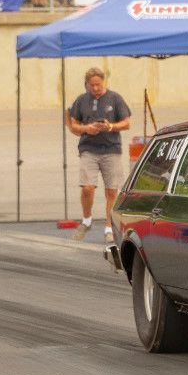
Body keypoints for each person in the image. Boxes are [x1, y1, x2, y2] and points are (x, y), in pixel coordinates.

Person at [67, 68, 131, 243]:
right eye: (92, 85)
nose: (95, 88)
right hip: (89, 148)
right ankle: (87, 220)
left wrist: (110, 126)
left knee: (112, 190)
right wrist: (87, 129)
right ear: (87, 84)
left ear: (103, 82)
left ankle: (109, 227)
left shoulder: (115, 98)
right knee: (87, 187)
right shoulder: (81, 100)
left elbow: (126, 123)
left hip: (111, 149)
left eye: (98, 84)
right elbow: (73, 125)